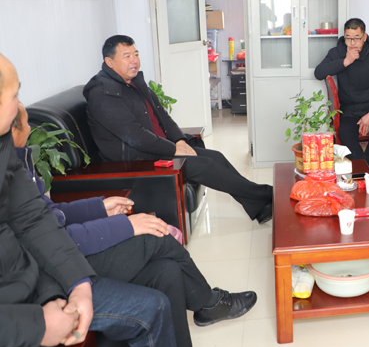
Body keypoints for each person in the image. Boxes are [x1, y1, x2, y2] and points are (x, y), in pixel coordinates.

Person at [12, 103, 257, 347]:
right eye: (26, 124)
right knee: (155, 236)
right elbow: (53, 240)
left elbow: (51, 214)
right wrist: (127, 226)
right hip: (56, 269)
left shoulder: (16, 161)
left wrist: (99, 207)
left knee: (168, 272)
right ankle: (207, 303)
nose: (30, 130)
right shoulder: (9, 173)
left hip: (65, 255)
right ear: (9, 128)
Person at [0, 53, 178, 347]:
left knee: (162, 282)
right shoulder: (101, 93)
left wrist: (78, 284)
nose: (17, 106)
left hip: (38, 280)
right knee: (157, 240)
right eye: (14, 96)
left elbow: (33, 218)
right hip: (16, 321)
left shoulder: (4, 149)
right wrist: (35, 326)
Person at [83, 35, 273, 224]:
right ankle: (268, 194)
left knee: (216, 157)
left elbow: (162, 115)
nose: (134, 60)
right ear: (109, 62)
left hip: (154, 149)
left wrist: (179, 140)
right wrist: (174, 149)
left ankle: (260, 207)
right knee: (206, 166)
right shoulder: (103, 93)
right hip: (136, 160)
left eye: (136, 54)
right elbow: (136, 137)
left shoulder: (132, 83)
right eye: (127, 56)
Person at [314, 18, 369, 171]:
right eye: (348, 38)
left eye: (356, 38)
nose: (352, 43)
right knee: (345, 132)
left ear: (364, 37)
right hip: (350, 110)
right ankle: (364, 171)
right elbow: (318, 73)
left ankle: (363, 170)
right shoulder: (337, 52)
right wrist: (345, 61)